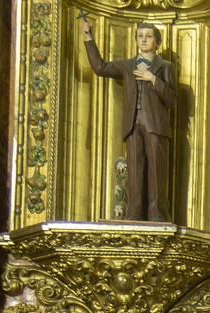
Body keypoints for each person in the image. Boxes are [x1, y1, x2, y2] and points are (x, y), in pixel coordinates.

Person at [81, 18, 176, 222]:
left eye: (148, 36)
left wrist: (153, 79)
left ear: (157, 42)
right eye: (140, 36)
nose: (143, 39)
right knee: (135, 171)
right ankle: (134, 214)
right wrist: (89, 37)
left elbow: (172, 99)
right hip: (133, 124)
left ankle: (157, 215)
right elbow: (100, 67)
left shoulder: (165, 66)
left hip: (155, 126)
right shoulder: (127, 65)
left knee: (157, 173)